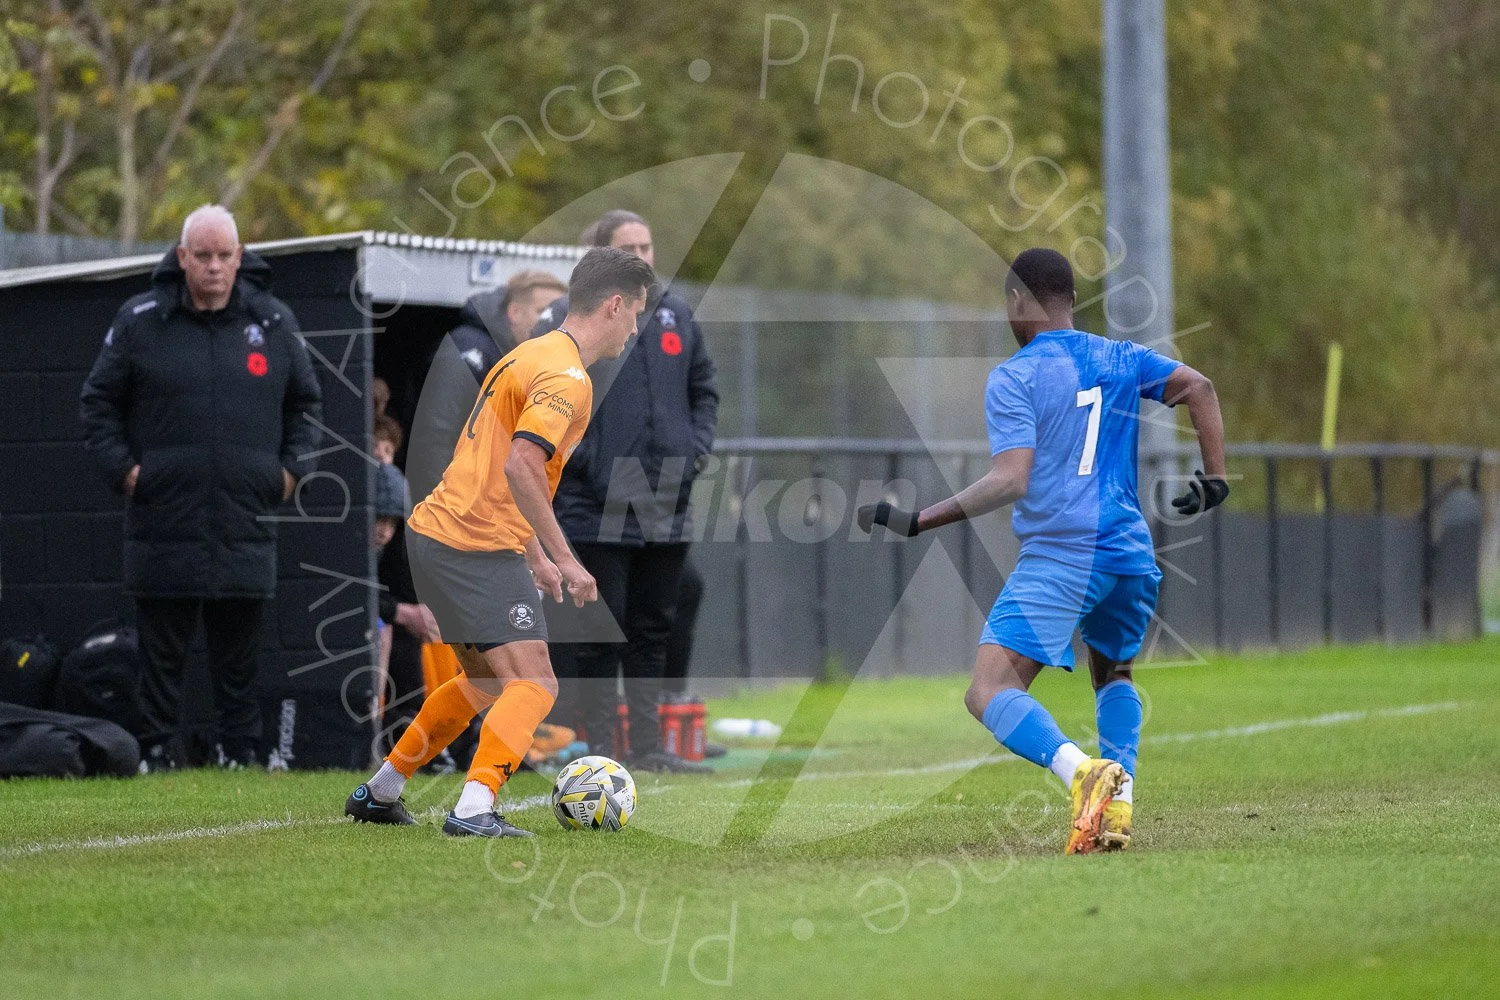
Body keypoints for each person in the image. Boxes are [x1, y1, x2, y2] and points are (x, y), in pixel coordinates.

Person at [858, 248, 1228, 854]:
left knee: (987, 689)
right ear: (1071, 301)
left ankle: (1082, 773)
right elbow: (1199, 387)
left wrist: (920, 520)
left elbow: (1011, 479)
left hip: (1063, 556)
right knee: (1113, 673)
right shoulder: (1120, 357)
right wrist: (1215, 477)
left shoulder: (1016, 376)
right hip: (1130, 555)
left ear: (1017, 302)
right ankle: (1119, 804)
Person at [343, 246, 655, 837]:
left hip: (439, 535)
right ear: (614, 305)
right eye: (636, 313)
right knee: (535, 683)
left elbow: (497, 468)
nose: (635, 328)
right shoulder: (567, 377)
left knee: (485, 681)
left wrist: (535, 555)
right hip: (473, 544)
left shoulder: (529, 353)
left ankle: (380, 791)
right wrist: (567, 559)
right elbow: (520, 466)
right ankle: (473, 808)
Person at [79, 204, 322, 771]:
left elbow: (307, 405)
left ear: (240, 258)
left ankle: (241, 754)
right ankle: (156, 752)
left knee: (239, 652)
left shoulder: (274, 321)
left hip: (245, 515)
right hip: (163, 514)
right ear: (182, 257)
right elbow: (98, 403)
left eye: (224, 255)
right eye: (203, 255)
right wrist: (127, 472)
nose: (214, 266)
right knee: (162, 650)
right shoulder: (140, 320)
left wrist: (289, 472)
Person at [533, 210, 718, 774]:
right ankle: (599, 750)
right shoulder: (562, 320)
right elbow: (547, 401)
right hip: (595, 507)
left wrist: (692, 453)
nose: (642, 256)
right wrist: (590, 466)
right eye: (628, 247)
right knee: (600, 630)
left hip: (667, 502)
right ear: (601, 254)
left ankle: (646, 746)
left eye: (647, 245)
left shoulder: (676, 314)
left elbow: (704, 390)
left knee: (652, 628)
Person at [404, 269, 568, 504]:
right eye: (543, 311)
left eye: (558, 315)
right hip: (451, 507)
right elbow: (435, 436)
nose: (552, 322)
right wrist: (446, 508)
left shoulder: (522, 360)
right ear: (514, 312)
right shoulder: (469, 350)